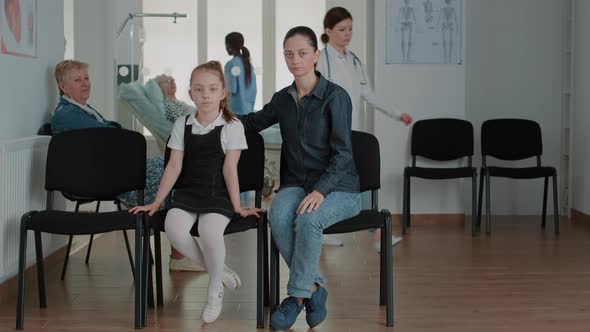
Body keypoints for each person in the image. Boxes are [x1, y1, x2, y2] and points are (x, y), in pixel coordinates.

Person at [239, 26, 360, 330]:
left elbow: (344, 155)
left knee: (308, 219)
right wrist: (215, 115)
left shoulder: (336, 97)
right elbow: (252, 122)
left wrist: (320, 191)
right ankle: (314, 289)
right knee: (278, 215)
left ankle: (295, 297)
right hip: (297, 185)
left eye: (302, 53)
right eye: (289, 54)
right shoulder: (283, 99)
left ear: (316, 55)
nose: (295, 60)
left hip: (340, 188)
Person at [130, 61, 264, 323]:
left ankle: (214, 290)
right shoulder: (183, 124)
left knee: (209, 231)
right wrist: (157, 202)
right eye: (199, 89)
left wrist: (237, 206)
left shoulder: (232, 125)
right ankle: (217, 271)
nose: (206, 95)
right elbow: (174, 166)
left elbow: (230, 169)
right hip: (187, 193)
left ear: (223, 92)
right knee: (175, 230)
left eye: (212, 89)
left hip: (218, 194)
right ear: (190, 93)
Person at [318, 7, 413, 250]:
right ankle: (325, 230)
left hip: (352, 133)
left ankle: (376, 234)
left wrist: (395, 113)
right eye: (342, 29)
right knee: (327, 184)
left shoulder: (355, 60)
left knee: (364, 181)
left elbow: (368, 94)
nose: (348, 34)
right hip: (327, 135)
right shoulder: (321, 60)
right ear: (328, 31)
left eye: (350, 29)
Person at [224, 32, 257, 203]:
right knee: (243, 155)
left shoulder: (231, 65)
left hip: (235, 114)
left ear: (229, 45)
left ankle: (234, 195)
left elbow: (232, 90)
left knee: (233, 156)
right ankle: (243, 196)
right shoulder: (248, 65)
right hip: (248, 113)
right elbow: (253, 91)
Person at [52, 60, 122, 134]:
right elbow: (107, 132)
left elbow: (106, 125)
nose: (85, 84)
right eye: (77, 80)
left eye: (86, 78)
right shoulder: (66, 114)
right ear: (63, 86)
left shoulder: (83, 108)